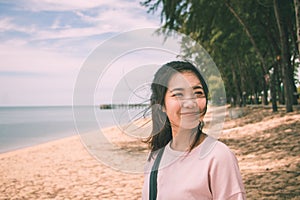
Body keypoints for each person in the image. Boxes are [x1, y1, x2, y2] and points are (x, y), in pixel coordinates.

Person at [142, 61, 246, 199]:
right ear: (161, 105)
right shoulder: (155, 159)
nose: (190, 103)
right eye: (178, 94)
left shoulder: (218, 157)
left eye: (198, 93)